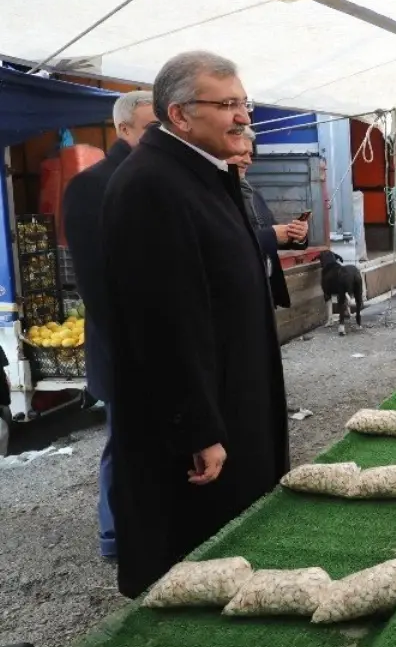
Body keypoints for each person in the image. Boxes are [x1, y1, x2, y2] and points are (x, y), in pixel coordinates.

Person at [100, 51, 290, 599]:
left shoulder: (202, 174)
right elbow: (162, 323)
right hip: (199, 435)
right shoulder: (152, 186)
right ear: (180, 116)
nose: (242, 117)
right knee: (192, 565)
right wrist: (196, 430)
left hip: (232, 402)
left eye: (243, 103)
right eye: (227, 104)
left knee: (235, 551)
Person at [62, 90, 155, 561]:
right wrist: (136, 347)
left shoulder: (161, 178)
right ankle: (114, 534)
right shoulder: (91, 186)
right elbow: (97, 286)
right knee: (125, 441)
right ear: (123, 129)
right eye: (150, 128)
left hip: (158, 346)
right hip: (125, 348)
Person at [226, 129, 309, 308]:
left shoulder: (253, 194)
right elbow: (226, 244)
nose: (248, 160)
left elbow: (272, 233)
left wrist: (296, 235)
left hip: (264, 290)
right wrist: (271, 235)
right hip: (237, 294)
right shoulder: (215, 195)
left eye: (250, 154)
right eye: (241, 153)